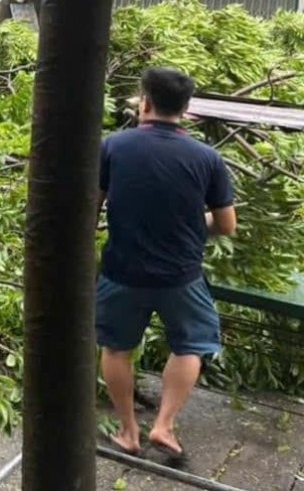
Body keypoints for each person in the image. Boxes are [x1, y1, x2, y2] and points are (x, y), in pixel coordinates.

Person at [97, 67, 237, 460]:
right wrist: (192, 223)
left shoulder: (113, 147)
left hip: (122, 271)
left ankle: (128, 432)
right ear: (186, 110)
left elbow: (88, 209)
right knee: (191, 344)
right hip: (182, 276)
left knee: (116, 348)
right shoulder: (207, 158)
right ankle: (164, 425)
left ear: (145, 102)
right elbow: (226, 225)